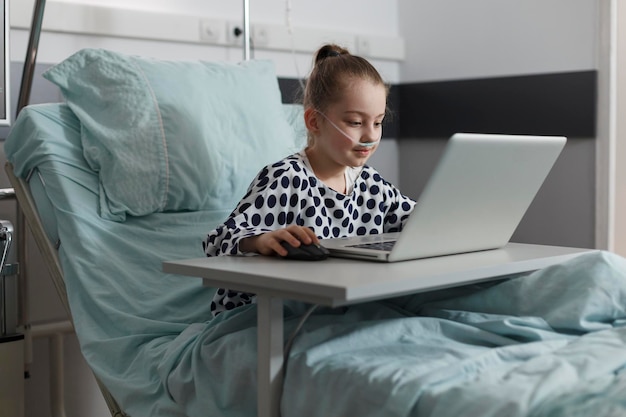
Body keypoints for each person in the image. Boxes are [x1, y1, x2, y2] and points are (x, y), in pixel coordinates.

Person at [203, 43, 416, 317]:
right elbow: (216, 241)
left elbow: (419, 220)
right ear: (315, 122)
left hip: (333, 308)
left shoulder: (371, 185)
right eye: (355, 122)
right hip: (266, 316)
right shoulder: (286, 179)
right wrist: (260, 241)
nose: (371, 136)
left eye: (377, 122)